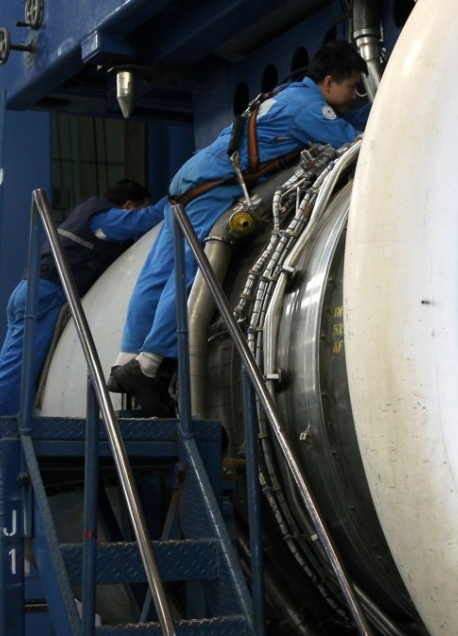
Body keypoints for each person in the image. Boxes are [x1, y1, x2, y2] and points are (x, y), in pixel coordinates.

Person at [108, 39, 370, 417]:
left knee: (156, 274)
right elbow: (355, 143)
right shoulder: (308, 108)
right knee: (187, 276)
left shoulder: (286, 94)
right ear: (329, 82)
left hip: (189, 179)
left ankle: (124, 362)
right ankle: (148, 367)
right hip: (213, 187)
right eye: (351, 87)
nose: (353, 95)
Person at [0, 180, 165, 415]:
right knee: (22, 367)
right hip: (46, 293)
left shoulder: (86, 216)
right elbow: (146, 219)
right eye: (139, 207)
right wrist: (180, 196)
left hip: (29, 289)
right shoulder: (106, 219)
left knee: (12, 361)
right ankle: (4, 422)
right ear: (128, 205)